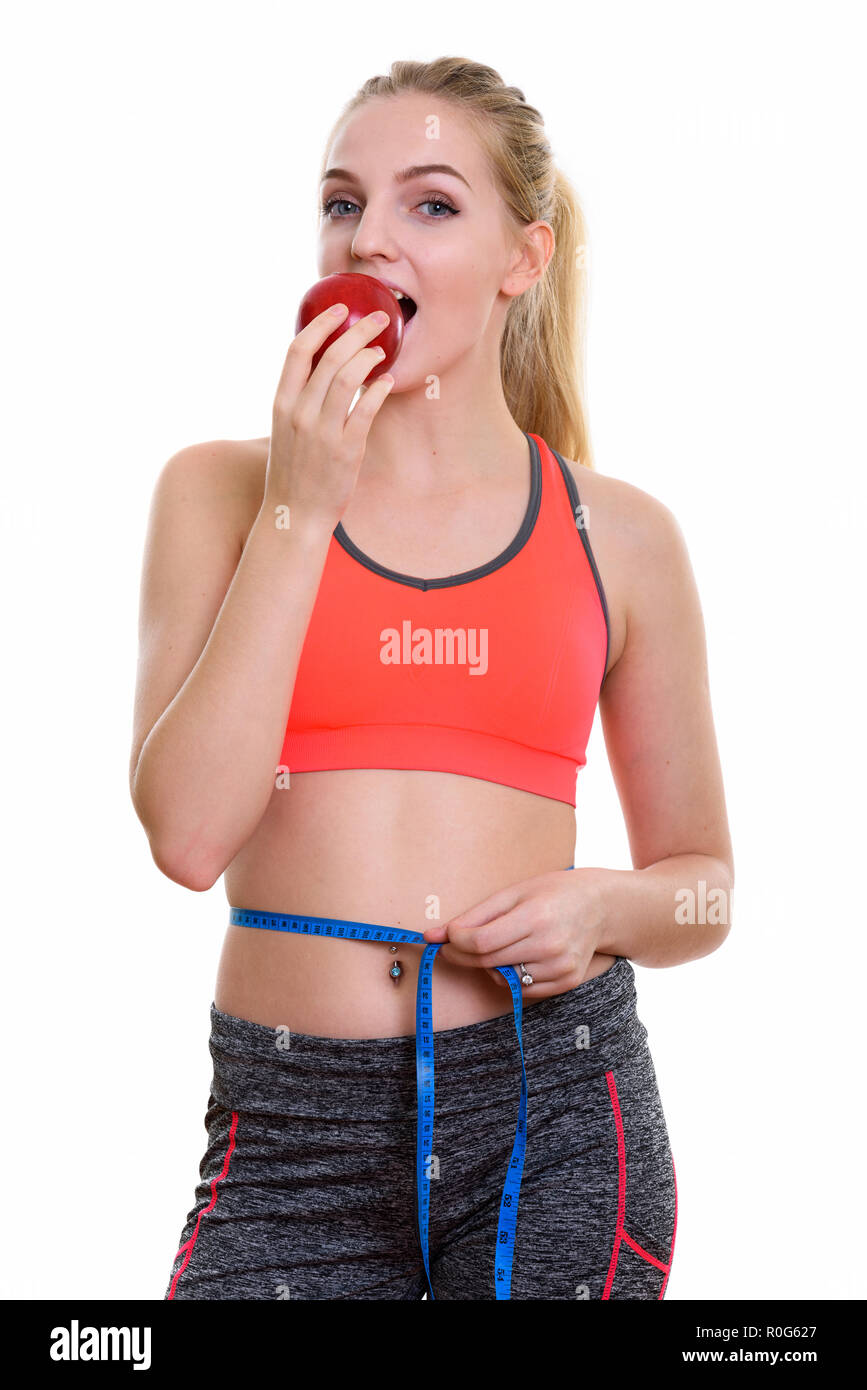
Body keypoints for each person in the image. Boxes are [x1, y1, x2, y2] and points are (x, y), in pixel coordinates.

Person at [130, 56, 733, 1301]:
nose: (372, 240)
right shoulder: (219, 494)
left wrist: (603, 911)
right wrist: (302, 507)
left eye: (432, 205)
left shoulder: (616, 536)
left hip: (551, 1101)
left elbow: (706, 896)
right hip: (286, 1132)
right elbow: (188, 837)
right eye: (344, 203)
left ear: (526, 257)